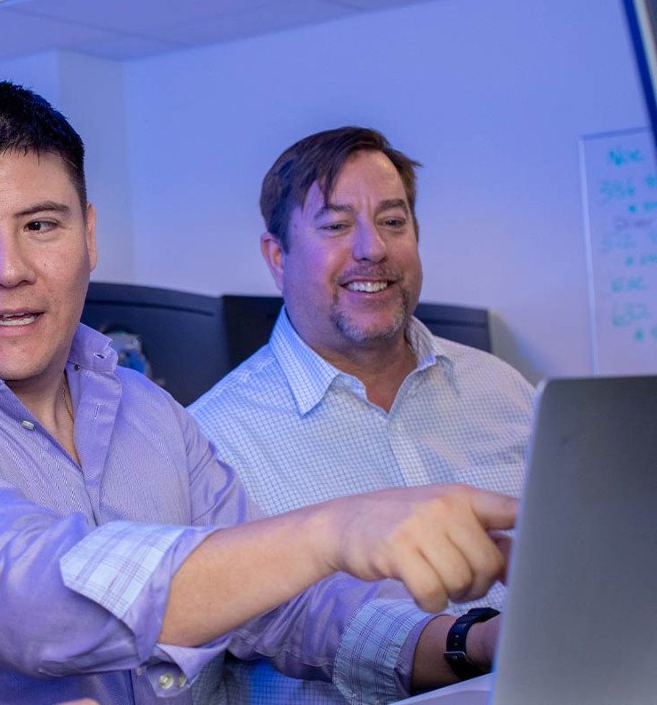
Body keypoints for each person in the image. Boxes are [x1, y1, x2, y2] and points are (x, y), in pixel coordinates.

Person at [0, 80, 516, 704]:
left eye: (41, 225)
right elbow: (37, 597)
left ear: (90, 235)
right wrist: (334, 530)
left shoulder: (146, 412)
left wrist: (471, 641)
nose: (9, 269)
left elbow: (286, 611)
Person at [188, 126, 533, 703]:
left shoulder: (503, 389)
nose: (372, 248)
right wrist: (477, 642)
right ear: (278, 257)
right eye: (337, 225)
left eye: (393, 222)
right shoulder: (211, 440)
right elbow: (285, 625)